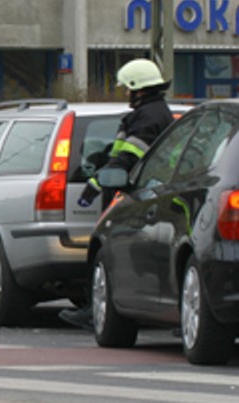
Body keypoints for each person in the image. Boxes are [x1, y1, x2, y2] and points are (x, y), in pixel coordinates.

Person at [59, 57, 175, 330]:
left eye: (127, 88)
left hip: (129, 197)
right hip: (141, 194)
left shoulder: (148, 117)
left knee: (108, 255)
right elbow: (123, 151)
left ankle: (97, 312)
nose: (125, 93)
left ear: (139, 88)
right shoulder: (152, 113)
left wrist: (96, 184)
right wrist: (102, 157)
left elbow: (128, 158)